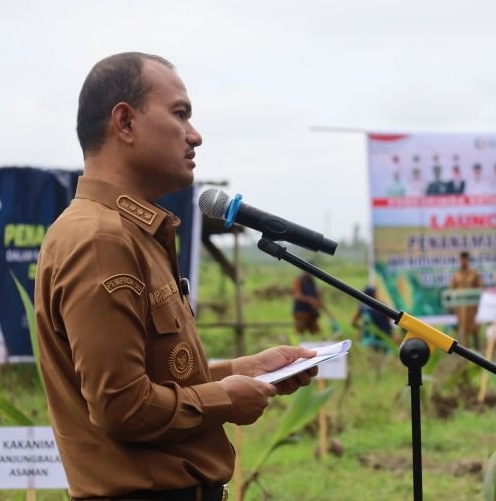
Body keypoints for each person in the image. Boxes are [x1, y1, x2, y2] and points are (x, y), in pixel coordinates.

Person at [35, 52, 317, 501]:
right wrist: (227, 399)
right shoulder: (99, 240)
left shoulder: (133, 231)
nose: (195, 136)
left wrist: (244, 371)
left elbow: (151, 377)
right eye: (180, 114)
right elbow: (121, 407)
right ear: (124, 123)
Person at [449, 251, 482, 348]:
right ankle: (465, 351)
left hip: (472, 308)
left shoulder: (474, 274)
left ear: (467, 260)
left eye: (465, 259)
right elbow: (452, 289)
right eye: (461, 260)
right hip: (460, 308)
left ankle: (477, 350)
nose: (463, 262)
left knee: (475, 328)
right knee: (463, 329)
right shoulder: (456, 274)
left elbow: (479, 288)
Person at [351, 286, 393, 353]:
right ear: (373, 294)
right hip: (383, 339)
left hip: (367, 340)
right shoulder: (382, 305)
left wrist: (362, 329)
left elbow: (353, 322)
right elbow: (389, 321)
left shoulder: (362, 306)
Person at [292, 269, 325, 334]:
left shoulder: (312, 282)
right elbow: (297, 295)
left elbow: (319, 299)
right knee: (300, 333)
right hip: (301, 312)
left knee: (317, 333)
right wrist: (310, 300)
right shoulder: (299, 280)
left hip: (311, 313)